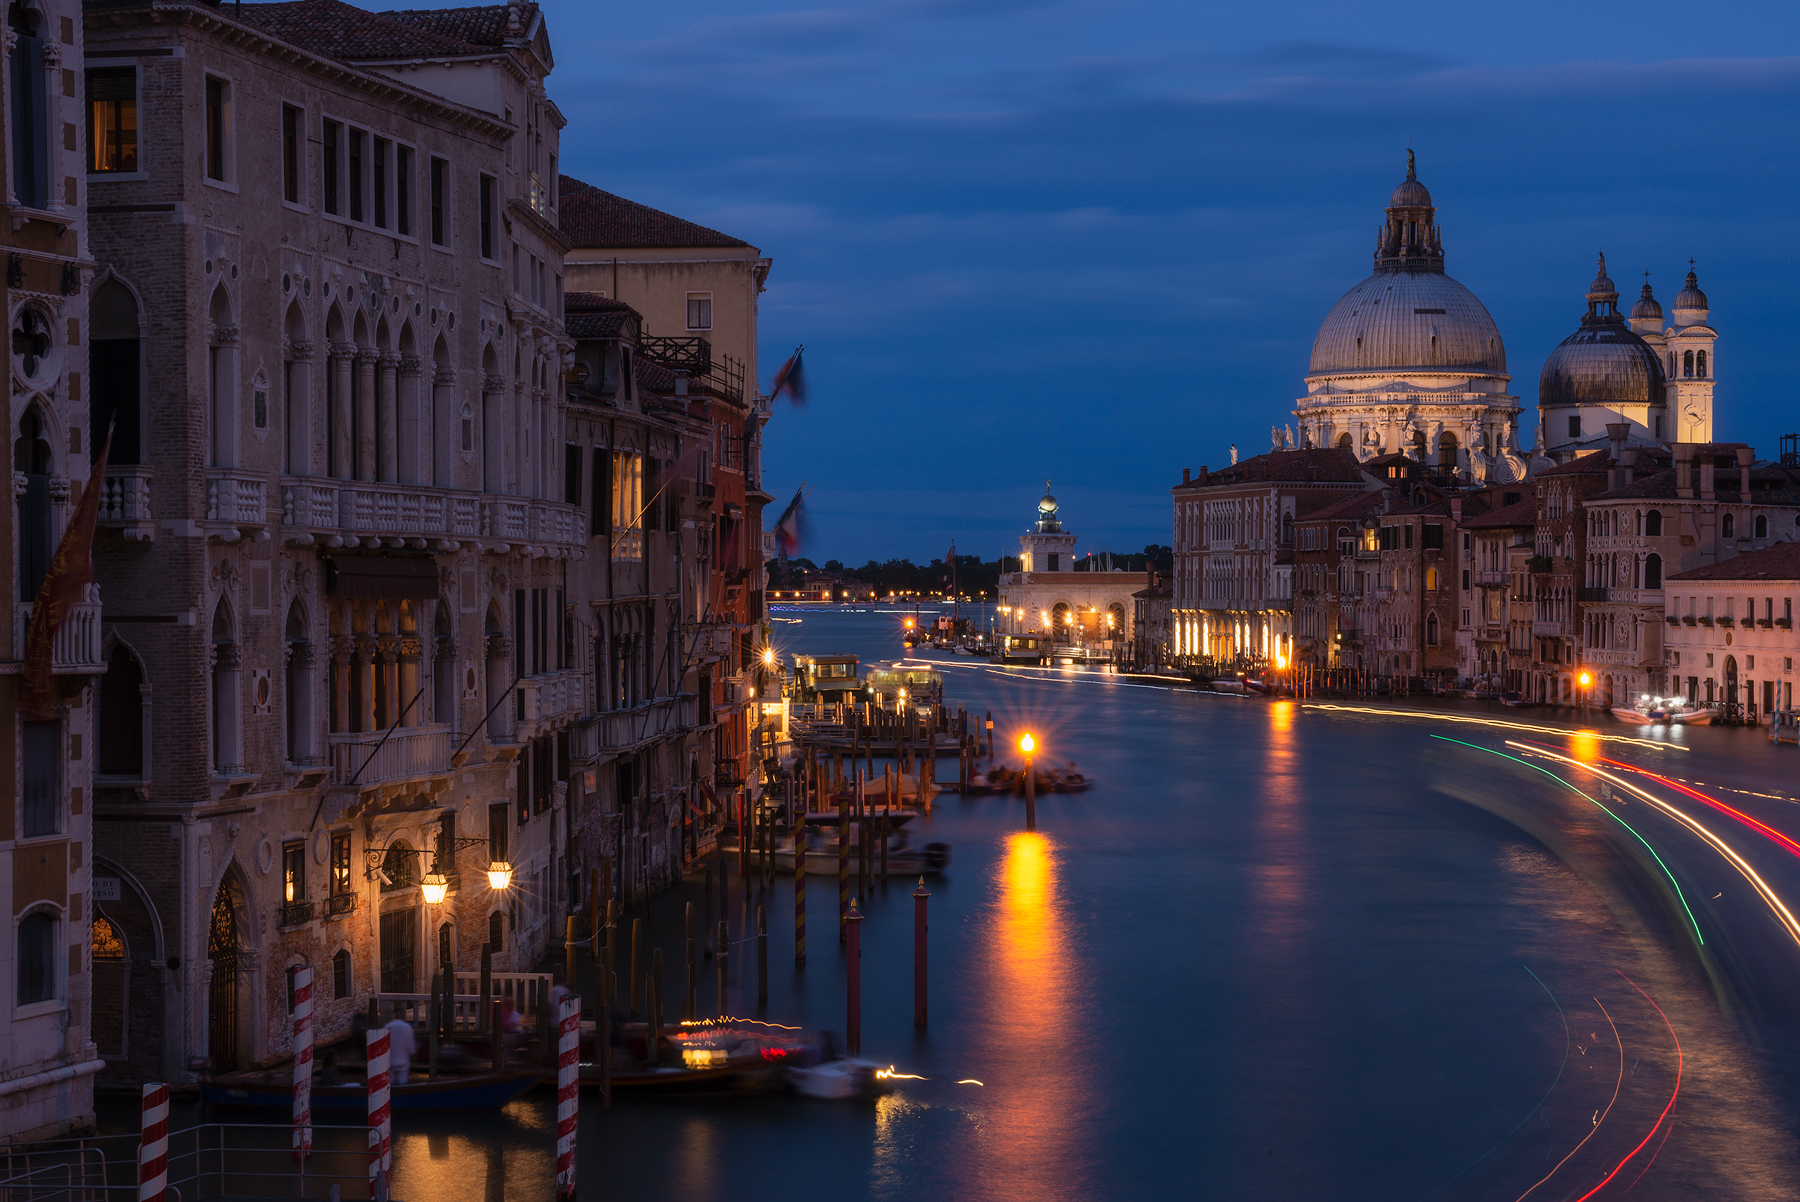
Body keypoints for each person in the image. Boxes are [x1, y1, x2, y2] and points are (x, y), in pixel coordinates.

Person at [385, 1016, 416, 1085]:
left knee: (390, 1081)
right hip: (403, 1060)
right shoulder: (407, 1027)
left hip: (389, 1060)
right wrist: (411, 1053)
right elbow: (410, 1045)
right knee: (403, 1080)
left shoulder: (387, 1026)